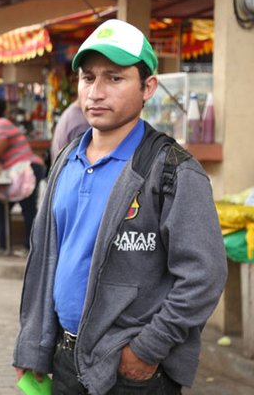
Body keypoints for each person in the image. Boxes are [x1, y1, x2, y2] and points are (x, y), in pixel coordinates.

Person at [13, 19, 227, 395]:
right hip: (65, 359)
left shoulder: (173, 171)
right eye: (88, 78)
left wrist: (146, 349)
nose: (96, 92)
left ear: (148, 88)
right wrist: (34, 343)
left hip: (130, 370)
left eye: (114, 78)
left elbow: (203, 276)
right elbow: (46, 259)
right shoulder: (67, 160)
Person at [0, 98, 46, 252]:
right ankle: (3, 245)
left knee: (28, 207)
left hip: (27, 169)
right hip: (16, 171)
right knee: (2, 205)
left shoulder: (1, 123)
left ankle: (30, 248)